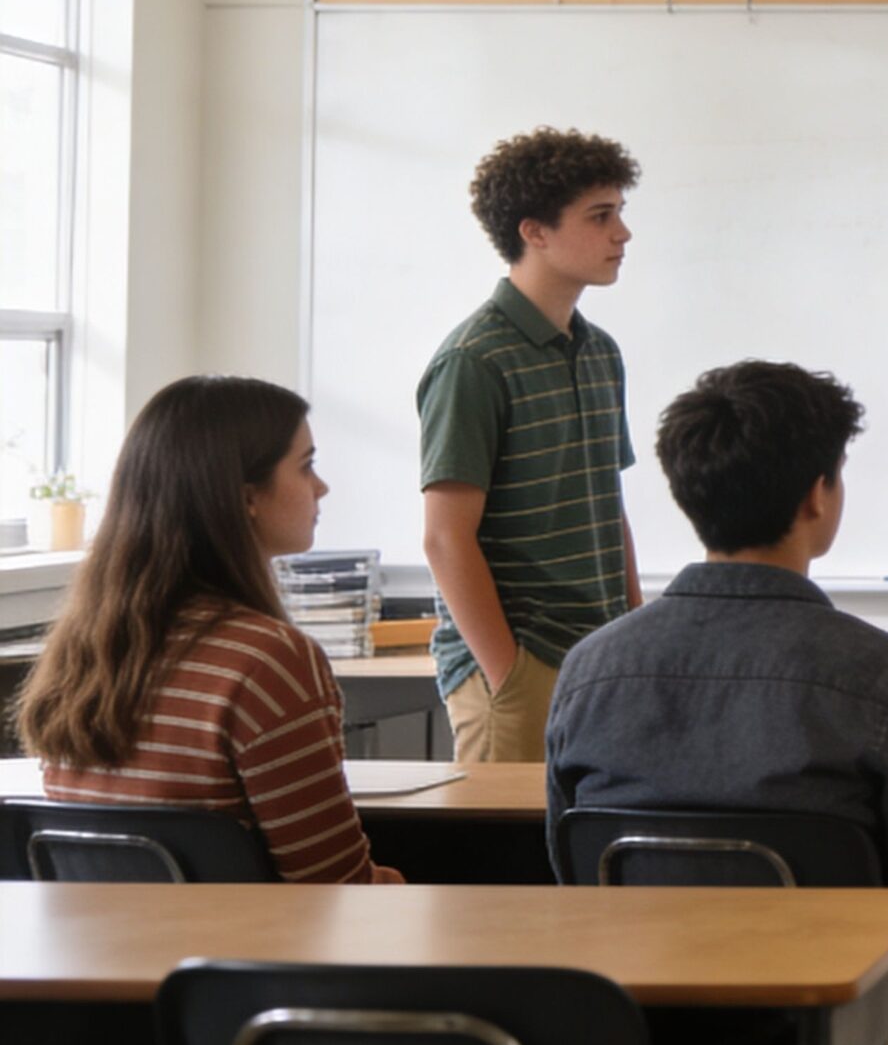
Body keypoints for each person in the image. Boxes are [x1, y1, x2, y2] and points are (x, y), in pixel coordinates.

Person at [543, 360, 888, 1045]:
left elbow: (569, 884)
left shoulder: (587, 670)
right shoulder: (886, 676)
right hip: (834, 1031)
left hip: (638, 1029)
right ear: (817, 497)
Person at [16, 375, 399, 884]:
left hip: (105, 959)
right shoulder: (269, 660)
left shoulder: (81, 650)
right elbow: (337, 890)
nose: (321, 486)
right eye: (306, 466)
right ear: (247, 498)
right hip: (246, 956)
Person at [418, 126, 644, 764]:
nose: (622, 234)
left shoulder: (600, 352)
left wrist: (631, 635)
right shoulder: (473, 360)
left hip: (600, 658)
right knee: (504, 863)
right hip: (520, 666)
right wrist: (508, 675)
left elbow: (607, 505)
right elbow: (443, 538)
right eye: (601, 217)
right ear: (534, 232)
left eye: (620, 214)